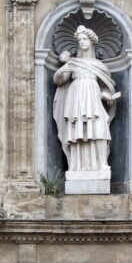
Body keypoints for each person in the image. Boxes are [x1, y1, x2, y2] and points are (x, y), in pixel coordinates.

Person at [53, 26, 119, 173]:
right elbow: (59, 80)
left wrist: (108, 97)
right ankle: (75, 166)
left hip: (93, 96)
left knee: (99, 128)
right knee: (78, 129)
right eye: (80, 39)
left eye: (85, 39)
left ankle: (102, 164)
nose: (82, 42)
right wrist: (65, 65)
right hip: (76, 96)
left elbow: (106, 86)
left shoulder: (99, 65)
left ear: (91, 42)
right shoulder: (73, 63)